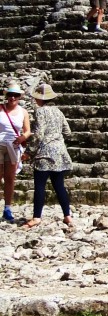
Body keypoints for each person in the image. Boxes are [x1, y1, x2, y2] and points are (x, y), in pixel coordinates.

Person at [24, 82, 73, 229]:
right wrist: (56, 137)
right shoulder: (58, 112)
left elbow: (39, 134)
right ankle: (67, 216)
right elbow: (67, 132)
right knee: (59, 185)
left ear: (39, 98)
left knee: (40, 185)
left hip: (45, 153)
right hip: (60, 152)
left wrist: (29, 151)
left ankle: (36, 217)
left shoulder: (40, 112)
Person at [1, 82, 31, 224]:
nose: (12, 97)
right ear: (7, 96)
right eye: (10, 95)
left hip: (13, 146)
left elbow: (27, 130)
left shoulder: (23, 112)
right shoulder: (0, 109)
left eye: (15, 95)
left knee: (10, 177)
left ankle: (7, 208)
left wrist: (22, 138)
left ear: (19, 97)